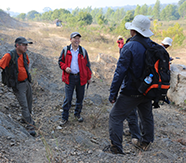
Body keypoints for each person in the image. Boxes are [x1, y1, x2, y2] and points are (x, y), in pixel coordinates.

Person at [103, 15, 155, 154]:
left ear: (133, 31)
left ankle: (116, 148)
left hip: (131, 91)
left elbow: (119, 72)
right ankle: (145, 143)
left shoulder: (129, 46)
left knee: (115, 116)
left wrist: (113, 93)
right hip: (148, 89)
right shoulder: (152, 45)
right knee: (146, 116)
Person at [0, 37, 36, 137]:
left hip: (26, 82)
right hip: (17, 85)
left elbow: (27, 64)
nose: (26, 47)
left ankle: (25, 119)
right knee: (24, 105)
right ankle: (30, 125)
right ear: (17, 45)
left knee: (29, 102)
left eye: (26, 45)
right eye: (24, 45)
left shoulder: (24, 54)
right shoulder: (9, 56)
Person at [58, 32, 92, 126]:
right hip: (70, 78)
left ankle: (77, 114)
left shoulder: (83, 51)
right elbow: (60, 62)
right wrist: (65, 68)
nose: (77, 40)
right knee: (68, 99)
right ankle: (64, 118)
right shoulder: (66, 50)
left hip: (81, 78)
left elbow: (87, 65)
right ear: (70, 39)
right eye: (75, 38)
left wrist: (89, 77)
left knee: (80, 98)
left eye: (78, 38)